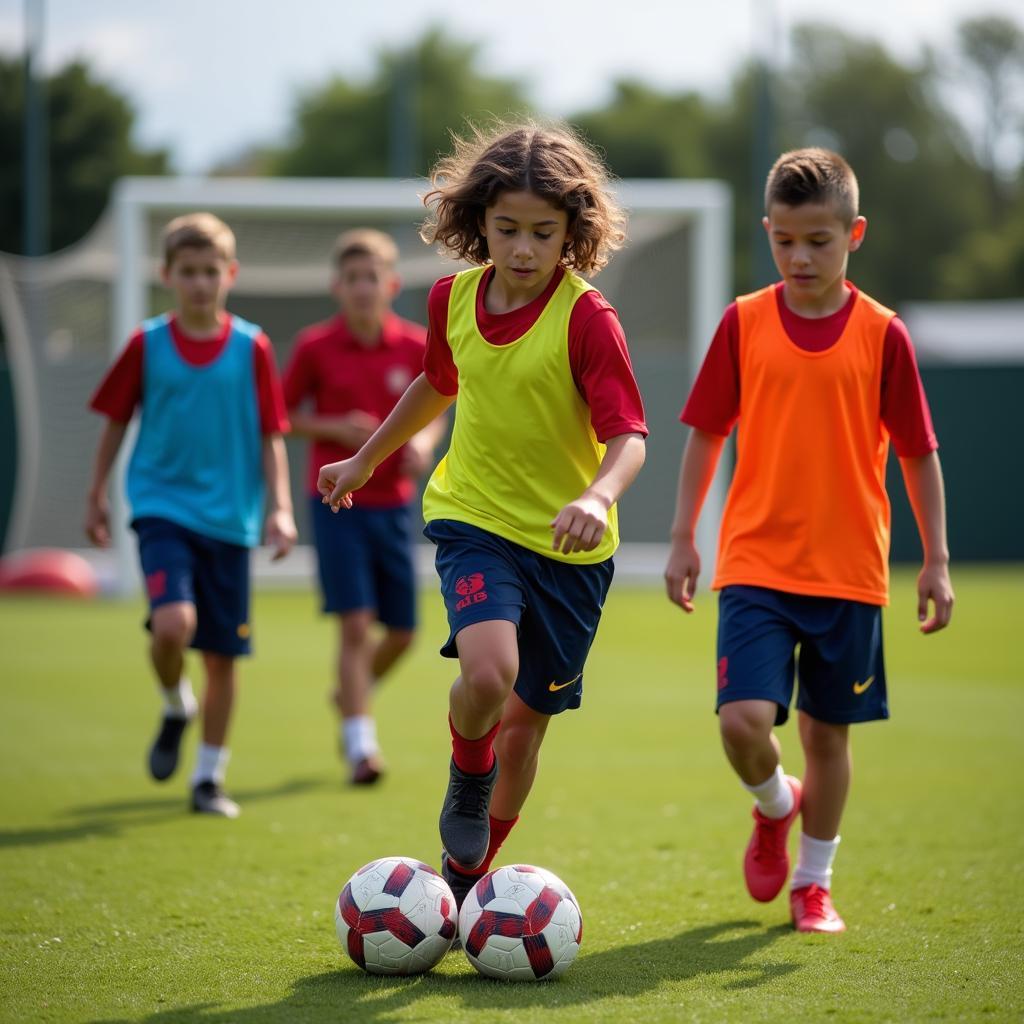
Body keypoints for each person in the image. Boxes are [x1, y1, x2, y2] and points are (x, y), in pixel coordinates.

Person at [317, 120, 648, 906]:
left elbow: (629, 437)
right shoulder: (452, 299)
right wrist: (366, 458)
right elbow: (436, 382)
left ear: (574, 231)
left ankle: (467, 874)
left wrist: (596, 497)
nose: (525, 249)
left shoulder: (588, 317)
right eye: (507, 230)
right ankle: (468, 779)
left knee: (527, 725)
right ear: (478, 223)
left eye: (544, 232)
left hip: (572, 550)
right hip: (475, 522)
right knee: (489, 673)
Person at [664, 148, 954, 933]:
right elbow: (705, 434)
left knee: (829, 736)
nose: (800, 256)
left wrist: (936, 560)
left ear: (853, 234)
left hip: (850, 571)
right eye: (785, 239)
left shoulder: (885, 334)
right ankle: (773, 805)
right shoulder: (744, 321)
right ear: (768, 232)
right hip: (756, 562)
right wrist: (685, 537)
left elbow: (918, 452)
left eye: (819, 241)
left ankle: (813, 884)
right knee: (741, 721)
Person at [86, 211, 297, 818]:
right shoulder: (146, 344)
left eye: (211, 271)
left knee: (224, 658)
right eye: (189, 272)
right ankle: (176, 701)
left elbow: (271, 434)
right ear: (167, 276)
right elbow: (115, 420)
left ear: (230, 274)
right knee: (173, 625)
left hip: (230, 519)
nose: (201, 283)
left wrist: (280, 509)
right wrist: (96, 492)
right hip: (161, 507)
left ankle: (208, 779)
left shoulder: (250, 346)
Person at [283, 229, 444, 785]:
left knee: (402, 632)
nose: (361, 288)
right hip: (336, 503)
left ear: (391, 284)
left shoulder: (416, 344)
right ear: (336, 286)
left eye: (370, 277)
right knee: (354, 626)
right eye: (351, 278)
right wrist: (334, 427)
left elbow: (439, 402)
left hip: (395, 506)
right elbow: (282, 415)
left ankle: (349, 697)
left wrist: (421, 444)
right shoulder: (313, 346)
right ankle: (361, 747)